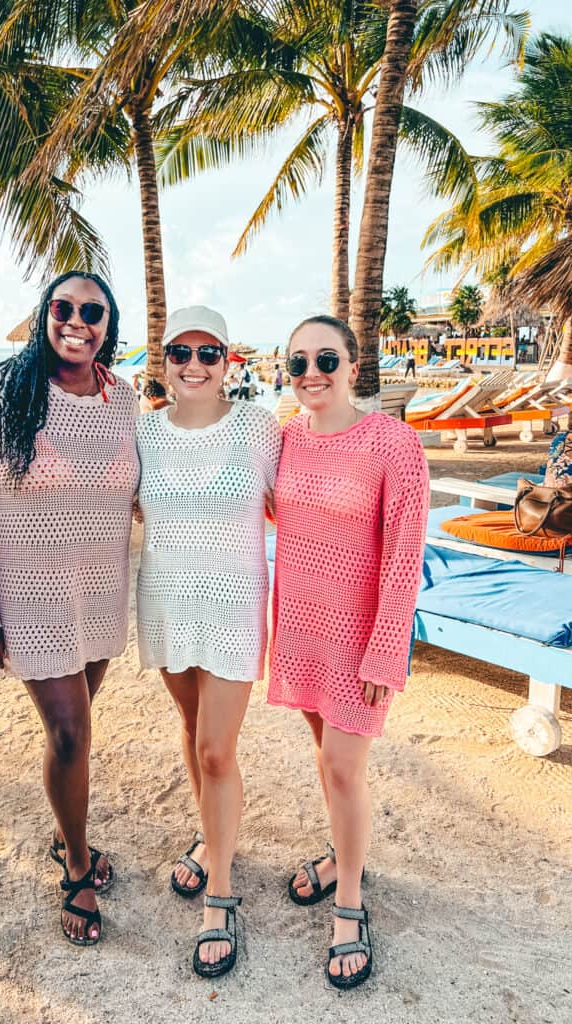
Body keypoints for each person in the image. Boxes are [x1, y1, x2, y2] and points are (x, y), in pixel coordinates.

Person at [0, 271, 139, 948]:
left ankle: (66, 837)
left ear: (109, 327)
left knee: (77, 728)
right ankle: (78, 866)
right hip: (28, 597)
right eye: (64, 308)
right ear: (44, 314)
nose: (77, 320)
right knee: (68, 734)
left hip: (100, 593)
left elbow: (142, 489)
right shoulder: (0, 392)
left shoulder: (124, 397)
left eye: (93, 312)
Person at [268, 314, 428, 990]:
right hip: (301, 628)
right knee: (326, 757)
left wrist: (386, 650)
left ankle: (350, 904)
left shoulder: (394, 443)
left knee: (341, 767)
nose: (311, 374)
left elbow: (404, 556)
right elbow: (266, 507)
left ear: (354, 366)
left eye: (325, 360)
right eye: (298, 361)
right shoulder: (280, 441)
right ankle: (341, 855)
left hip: (362, 634)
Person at [136, 306, 282, 979]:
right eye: (180, 352)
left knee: (217, 749)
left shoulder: (258, 427)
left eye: (209, 353)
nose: (193, 365)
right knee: (194, 728)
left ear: (230, 362)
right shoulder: (143, 434)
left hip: (233, 605)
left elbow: (296, 501)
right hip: (167, 599)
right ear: (163, 361)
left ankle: (219, 896)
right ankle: (210, 835)